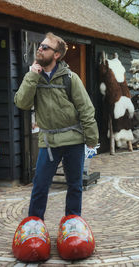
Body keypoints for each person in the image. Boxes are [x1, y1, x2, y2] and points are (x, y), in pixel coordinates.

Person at [14, 32, 99, 221]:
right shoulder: (33, 77)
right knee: (40, 185)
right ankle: (34, 224)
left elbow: (86, 109)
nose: (40, 49)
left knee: (75, 185)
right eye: (40, 46)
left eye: (45, 47)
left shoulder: (70, 78)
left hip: (73, 139)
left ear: (56, 55)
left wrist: (92, 139)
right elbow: (21, 103)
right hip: (49, 141)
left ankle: (72, 223)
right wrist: (31, 77)